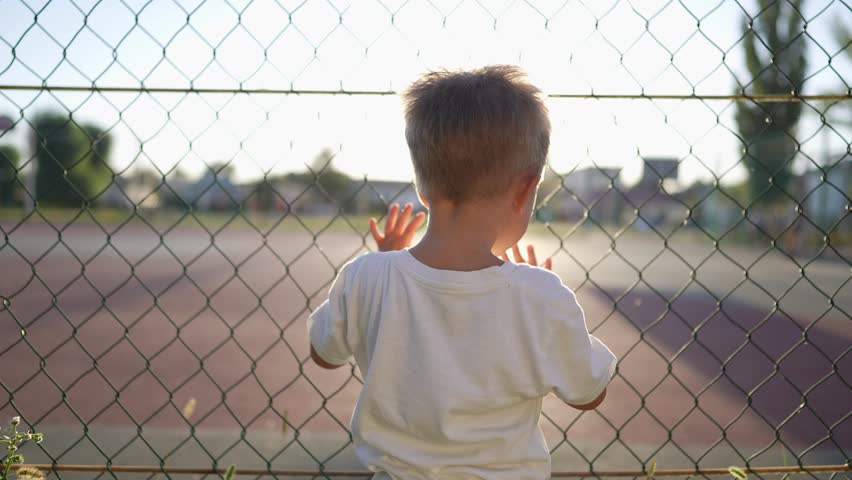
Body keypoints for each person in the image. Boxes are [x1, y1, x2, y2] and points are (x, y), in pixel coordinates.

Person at [307, 65, 617, 480]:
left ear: (420, 184)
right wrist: (540, 303)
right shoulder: (542, 295)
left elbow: (323, 354)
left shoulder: (366, 277)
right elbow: (588, 393)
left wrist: (386, 262)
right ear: (526, 190)